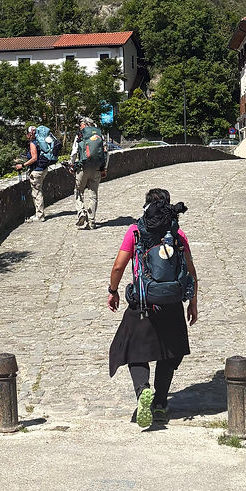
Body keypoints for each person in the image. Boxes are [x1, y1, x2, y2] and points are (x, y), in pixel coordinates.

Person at [107, 188, 198, 428]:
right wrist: (193, 302)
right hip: (172, 302)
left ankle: (142, 390)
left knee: (133, 349)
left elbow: (118, 267)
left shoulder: (135, 231)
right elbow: (190, 270)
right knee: (169, 352)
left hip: (143, 302)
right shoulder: (177, 233)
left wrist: (113, 291)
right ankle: (159, 403)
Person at [72, 116, 107, 230]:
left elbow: (74, 152)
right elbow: (105, 152)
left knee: (78, 190)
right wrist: (104, 168)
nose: (80, 126)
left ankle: (81, 211)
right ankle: (91, 221)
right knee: (93, 195)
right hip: (96, 168)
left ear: (85, 124)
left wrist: (72, 165)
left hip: (83, 167)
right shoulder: (100, 135)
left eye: (81, 124)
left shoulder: (80, 135)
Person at [14, 126, 48, 222]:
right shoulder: (41, 141)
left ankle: (40, 215)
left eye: (27, 134)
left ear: (30, 134)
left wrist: (22, 165)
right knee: (38, 191)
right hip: (43, 169)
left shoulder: (33, 143)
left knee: (37, 192)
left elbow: (34, 158)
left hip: (37, 170)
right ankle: (38, 213)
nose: (26, 136)